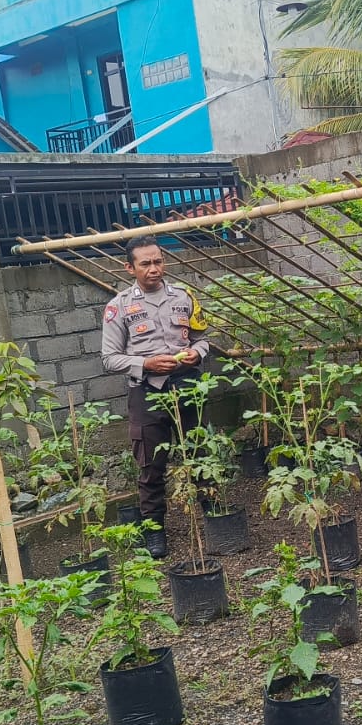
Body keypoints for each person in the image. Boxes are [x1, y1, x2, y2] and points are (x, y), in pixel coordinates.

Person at [100, 235, 212, 558]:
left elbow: (204, 338)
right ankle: (155, 531)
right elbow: (109, 358)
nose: (154, 269)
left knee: (200, 453)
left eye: (158, 261)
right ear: (129, 268)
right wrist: (145, 363)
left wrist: (196, 353)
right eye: (145, 263)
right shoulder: (118, 307)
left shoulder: (184, 297)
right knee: (150, 466)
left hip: (187, 384)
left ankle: (212, 512)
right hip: (147, 391)